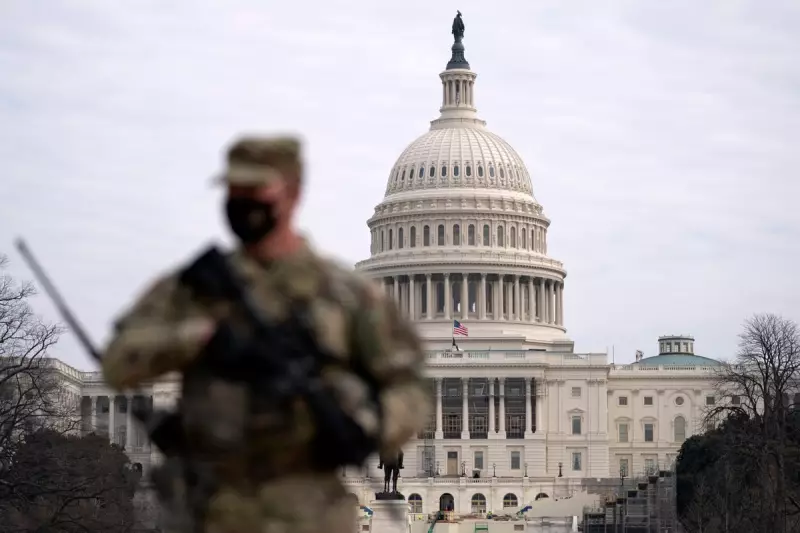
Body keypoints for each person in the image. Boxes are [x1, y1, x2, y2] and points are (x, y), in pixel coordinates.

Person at [101, 135, 429, 533]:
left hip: (309, 514)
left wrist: (364, 427)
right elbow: (117, 363)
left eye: (256, 190)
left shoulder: (346, 296)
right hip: (207, 510)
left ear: (292, 193)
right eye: (234, 190)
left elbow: (411, 389)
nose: (242, 201)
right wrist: (200, 337)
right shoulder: (193, 287)